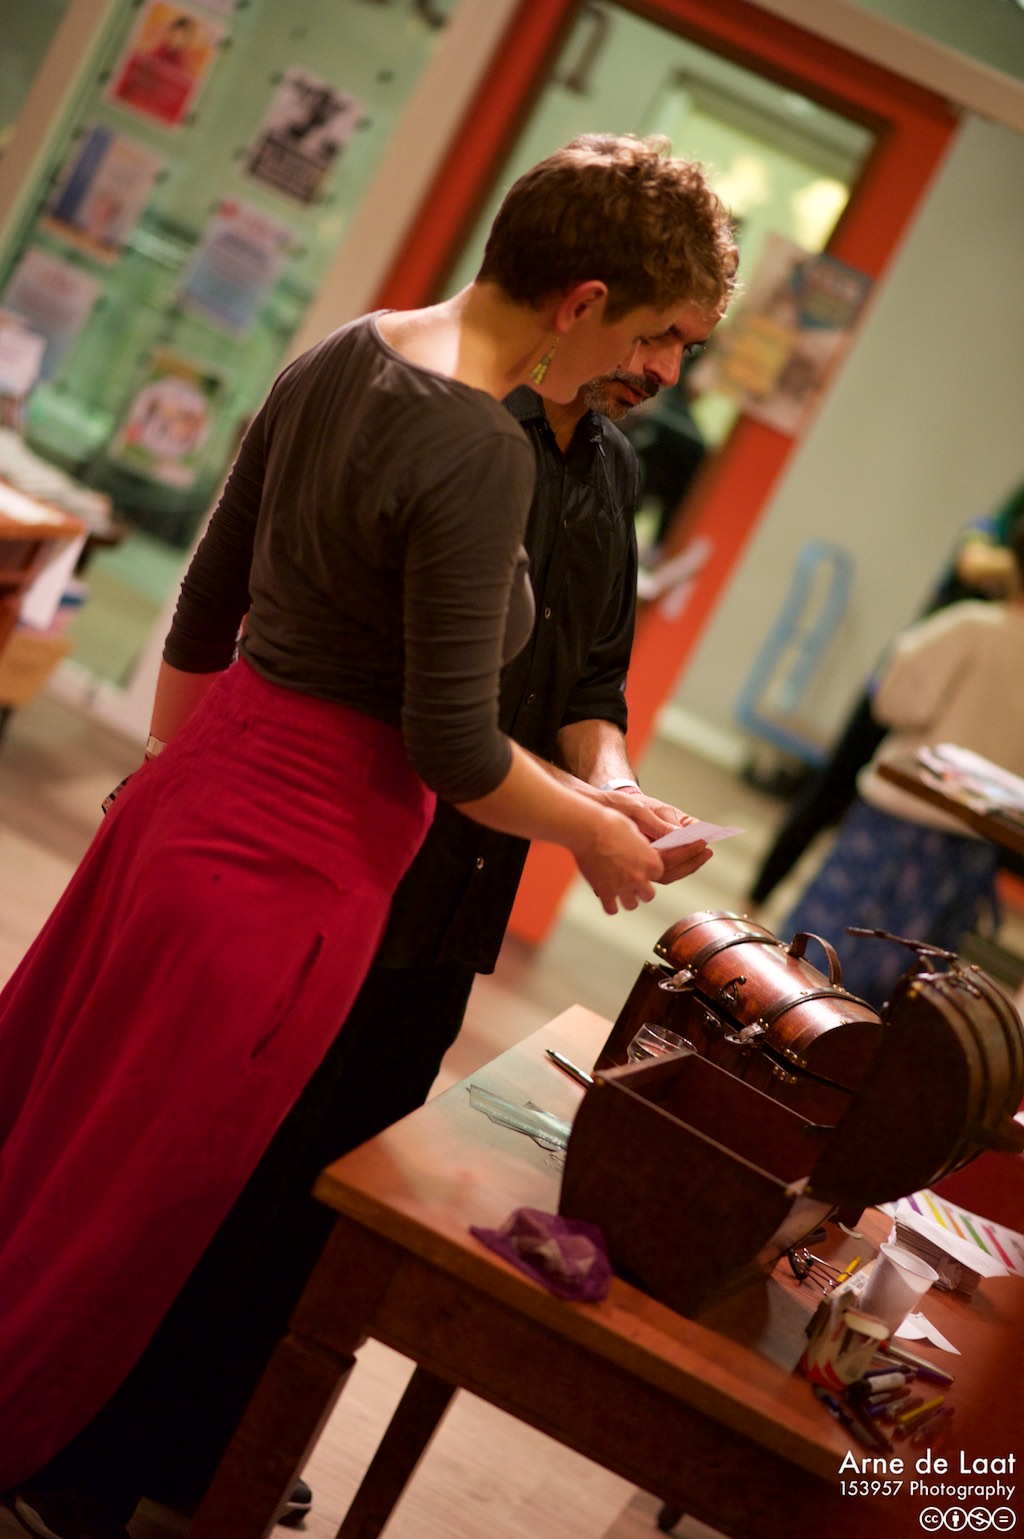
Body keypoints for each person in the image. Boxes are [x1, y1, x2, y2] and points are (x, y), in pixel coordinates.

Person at [0, 132, 739, 1524]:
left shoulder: (347, 348)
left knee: (52, 1143)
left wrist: (173, 781)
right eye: (655, 335)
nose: (660, 371)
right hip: (301, 865)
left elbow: (206, 606)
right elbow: (452, 747)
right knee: (141, 1206)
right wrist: (598, 833)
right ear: (583, 299)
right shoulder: (477, 440)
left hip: (194, 808)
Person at [779, 511, 1024, 1009]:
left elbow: (894, 700)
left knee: (820, 959)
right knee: (906, 982)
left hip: (899, 823)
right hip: (974, 843)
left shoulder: (971, 626)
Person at [748, 476, 1024, 908]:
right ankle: (757, 895)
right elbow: (972, 559)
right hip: (919, 684)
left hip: (956, 775)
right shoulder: (989, 545)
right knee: (831, 792)